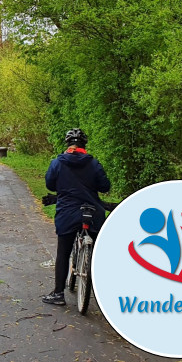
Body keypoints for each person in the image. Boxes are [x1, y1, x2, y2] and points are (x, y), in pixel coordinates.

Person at [42, 128, 111, 306]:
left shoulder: (58, 162)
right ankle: (106, 293)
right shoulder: (93, 163)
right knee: (99, 252)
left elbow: (50, 184)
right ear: (84, 145)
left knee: (63, 253)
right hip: (92, 212)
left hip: (67, 213)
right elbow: (104, 187)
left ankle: (58, 294)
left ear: (68, 144)